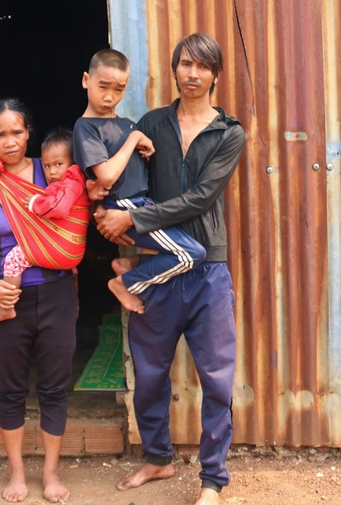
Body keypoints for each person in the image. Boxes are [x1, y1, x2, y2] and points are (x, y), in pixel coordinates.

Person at [93, 34, 246, 505]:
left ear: (216, 74)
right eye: (185, 64)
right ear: (174, 69)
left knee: (217, 380)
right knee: (151, 373)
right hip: (158, 268)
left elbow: (202, 197)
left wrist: (134, 218)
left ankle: (212, 481)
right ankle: (157, 458)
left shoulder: (229, 133)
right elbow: (120, 179)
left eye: (203, 66)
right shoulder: (151, 124)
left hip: (208, 273)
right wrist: (106, 209)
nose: (193, 74)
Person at [0, 99, 77, 503]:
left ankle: (52, 474)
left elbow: (77, 214)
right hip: (7, 296)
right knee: (9, 390)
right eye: (1, 134)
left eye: (17, 132)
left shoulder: (51, 171)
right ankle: (17, 473)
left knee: (55, 388)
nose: (10, 141)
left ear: (29, 134)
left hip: (56, 290)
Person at [73, 48, 206, 315]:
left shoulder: (126, 124)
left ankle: (129, 265)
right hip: (123, 206)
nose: (110, 97)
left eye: (119, 89)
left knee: (180, 249)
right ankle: (125, 283)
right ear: (86, 80)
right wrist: (134, 140)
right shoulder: (86, 127)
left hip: (142, 203)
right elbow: (107, 175)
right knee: (190, 254)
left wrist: (141, 147)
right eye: (103, 87)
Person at [0, 127, 89, 324]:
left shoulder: (72, 181)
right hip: (69, 256)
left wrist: (35, 203)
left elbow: (58, 208)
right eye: (47, 166)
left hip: (62, 249)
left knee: (13, 260)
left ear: (74, 162)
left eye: (59, 164)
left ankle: (6, 307)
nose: (52, 172)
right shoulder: (72, 181)